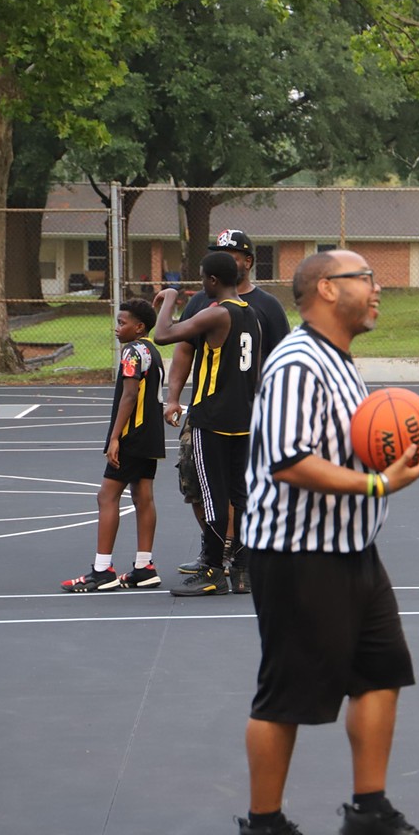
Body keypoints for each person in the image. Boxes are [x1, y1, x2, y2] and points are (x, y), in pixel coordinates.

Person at [237, 250, 419, 835]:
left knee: (381, 675)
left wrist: (386, 464)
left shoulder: (341, 362)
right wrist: (378, 482)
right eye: (366, 279)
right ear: (326, 288)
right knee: (285, 695)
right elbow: (289, 460)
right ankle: (264, 824)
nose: (378, 289)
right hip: (298, 555)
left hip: (353, 549)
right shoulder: (298, 363)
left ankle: (369, 812)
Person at [165, 229, 290, 593]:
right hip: (223, 414)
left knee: (227, 491)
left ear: (247, 262)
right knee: (199, 485)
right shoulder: (206, 304)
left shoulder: (266, 307)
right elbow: (184, 351)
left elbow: (280, 362)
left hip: (238, 414)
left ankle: (225, 563)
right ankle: (224, 557)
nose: (222, 257)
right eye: (218, 252)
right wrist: (173, 397)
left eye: (229, 252)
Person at [152, 250, 263, 596]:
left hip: (211, 419)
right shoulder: (253, 316)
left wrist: (169, 297)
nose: (201, 284)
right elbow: (255, 371)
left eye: (202, 278)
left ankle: (214, 570)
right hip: (244, 419)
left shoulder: (216, 315)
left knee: (213, 496)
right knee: (240, 496)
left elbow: (163, 334)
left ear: (213, 281)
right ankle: (242, 571)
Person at [61, 299, 167, 591]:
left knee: (106, 496)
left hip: (132, 435)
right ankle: (144, 566)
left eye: (122, 323)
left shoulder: (132, 352)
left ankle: (102, 570)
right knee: (143, 496)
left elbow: (129, 396)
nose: (117, 328)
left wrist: (115, 437)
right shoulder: (152, 351)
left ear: (139, 327)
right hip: (151, 436)